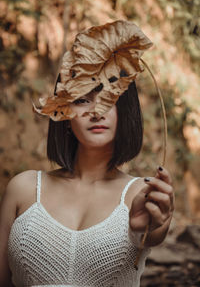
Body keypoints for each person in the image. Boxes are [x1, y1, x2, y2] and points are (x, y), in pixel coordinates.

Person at [0, 21, 174, 287]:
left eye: (110, 98)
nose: (97, 111)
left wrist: (156, 226)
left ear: (126, 111)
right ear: (65, 113)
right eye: (82, 99)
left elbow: (152, 232)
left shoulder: (140, 194)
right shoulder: (23, 189)